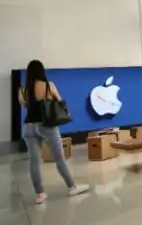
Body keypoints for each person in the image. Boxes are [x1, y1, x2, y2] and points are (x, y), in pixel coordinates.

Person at [18, 60, 90, 204]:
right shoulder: (48, 85)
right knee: (59, 158)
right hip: (46, 125)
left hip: (27, 126)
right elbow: (59, 101)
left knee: (34, 161)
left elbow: (25, 105)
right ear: (41, 71)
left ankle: (40, 194)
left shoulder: (22, 90)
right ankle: (72, 187)